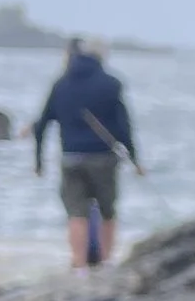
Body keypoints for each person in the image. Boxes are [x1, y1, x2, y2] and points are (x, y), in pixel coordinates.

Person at [31, 38, 144, 269]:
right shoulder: (112, 84)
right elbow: (124, 126)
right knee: (107, 212)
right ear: (102, 57)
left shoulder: (61, 84)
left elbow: (42, 124)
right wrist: (135, 159)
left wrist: (39, 161)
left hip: (71, 157)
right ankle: (105, 262)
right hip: (103, 158)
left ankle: (80, 265)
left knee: (76, 214)